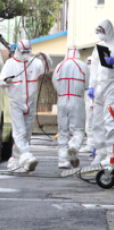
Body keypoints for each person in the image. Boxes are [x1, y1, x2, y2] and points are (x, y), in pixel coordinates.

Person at [0, 39, 52, 172]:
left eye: (28, 52)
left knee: (26, 134)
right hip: (16, 102)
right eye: (23, 52)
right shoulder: (10, 63)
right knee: (19, 132)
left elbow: (47, 68)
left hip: (31, 103)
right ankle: (27, 156)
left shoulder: (35, 63)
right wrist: (6, 80)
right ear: (18, 51)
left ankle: (16, 161)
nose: (25, 55)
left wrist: (45, 56)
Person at [52, 48, 89, 169]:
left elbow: (55, 83)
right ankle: (73, 146)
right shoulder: (83, 66)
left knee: (63, 131)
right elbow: (87, 85)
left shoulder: (59, 66)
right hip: (76, 99)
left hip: (62, 100)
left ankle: (63, 160)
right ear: (78, 55)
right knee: (78, 129)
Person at [89, 19, 114, 166]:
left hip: (111, 87)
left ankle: (111, 155)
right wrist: (91, 86)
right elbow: (94, 67)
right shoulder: (99, 47)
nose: (101, 34)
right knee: (97, 121)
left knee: (109, 120)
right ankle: (100, 153)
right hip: (99, 88)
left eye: (103, 31)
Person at [79, 56, 94, 153]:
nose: (88, 64)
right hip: (89, 98)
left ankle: (91, 145)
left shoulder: (94, 73)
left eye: (90, 62)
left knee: (91, 123)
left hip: (93, 100)